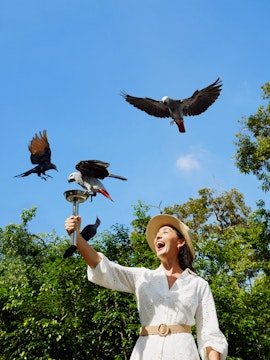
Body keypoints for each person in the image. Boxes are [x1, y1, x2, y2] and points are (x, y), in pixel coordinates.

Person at [65, 214, 228, 360]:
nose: (158, 236)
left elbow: (209, 333)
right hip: (146, 351)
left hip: (183, 352)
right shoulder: (143, 277)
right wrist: (77, 238)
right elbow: (105, 269)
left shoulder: (198, 284)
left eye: (165, 232)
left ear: (180, 242)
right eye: (157, 235)